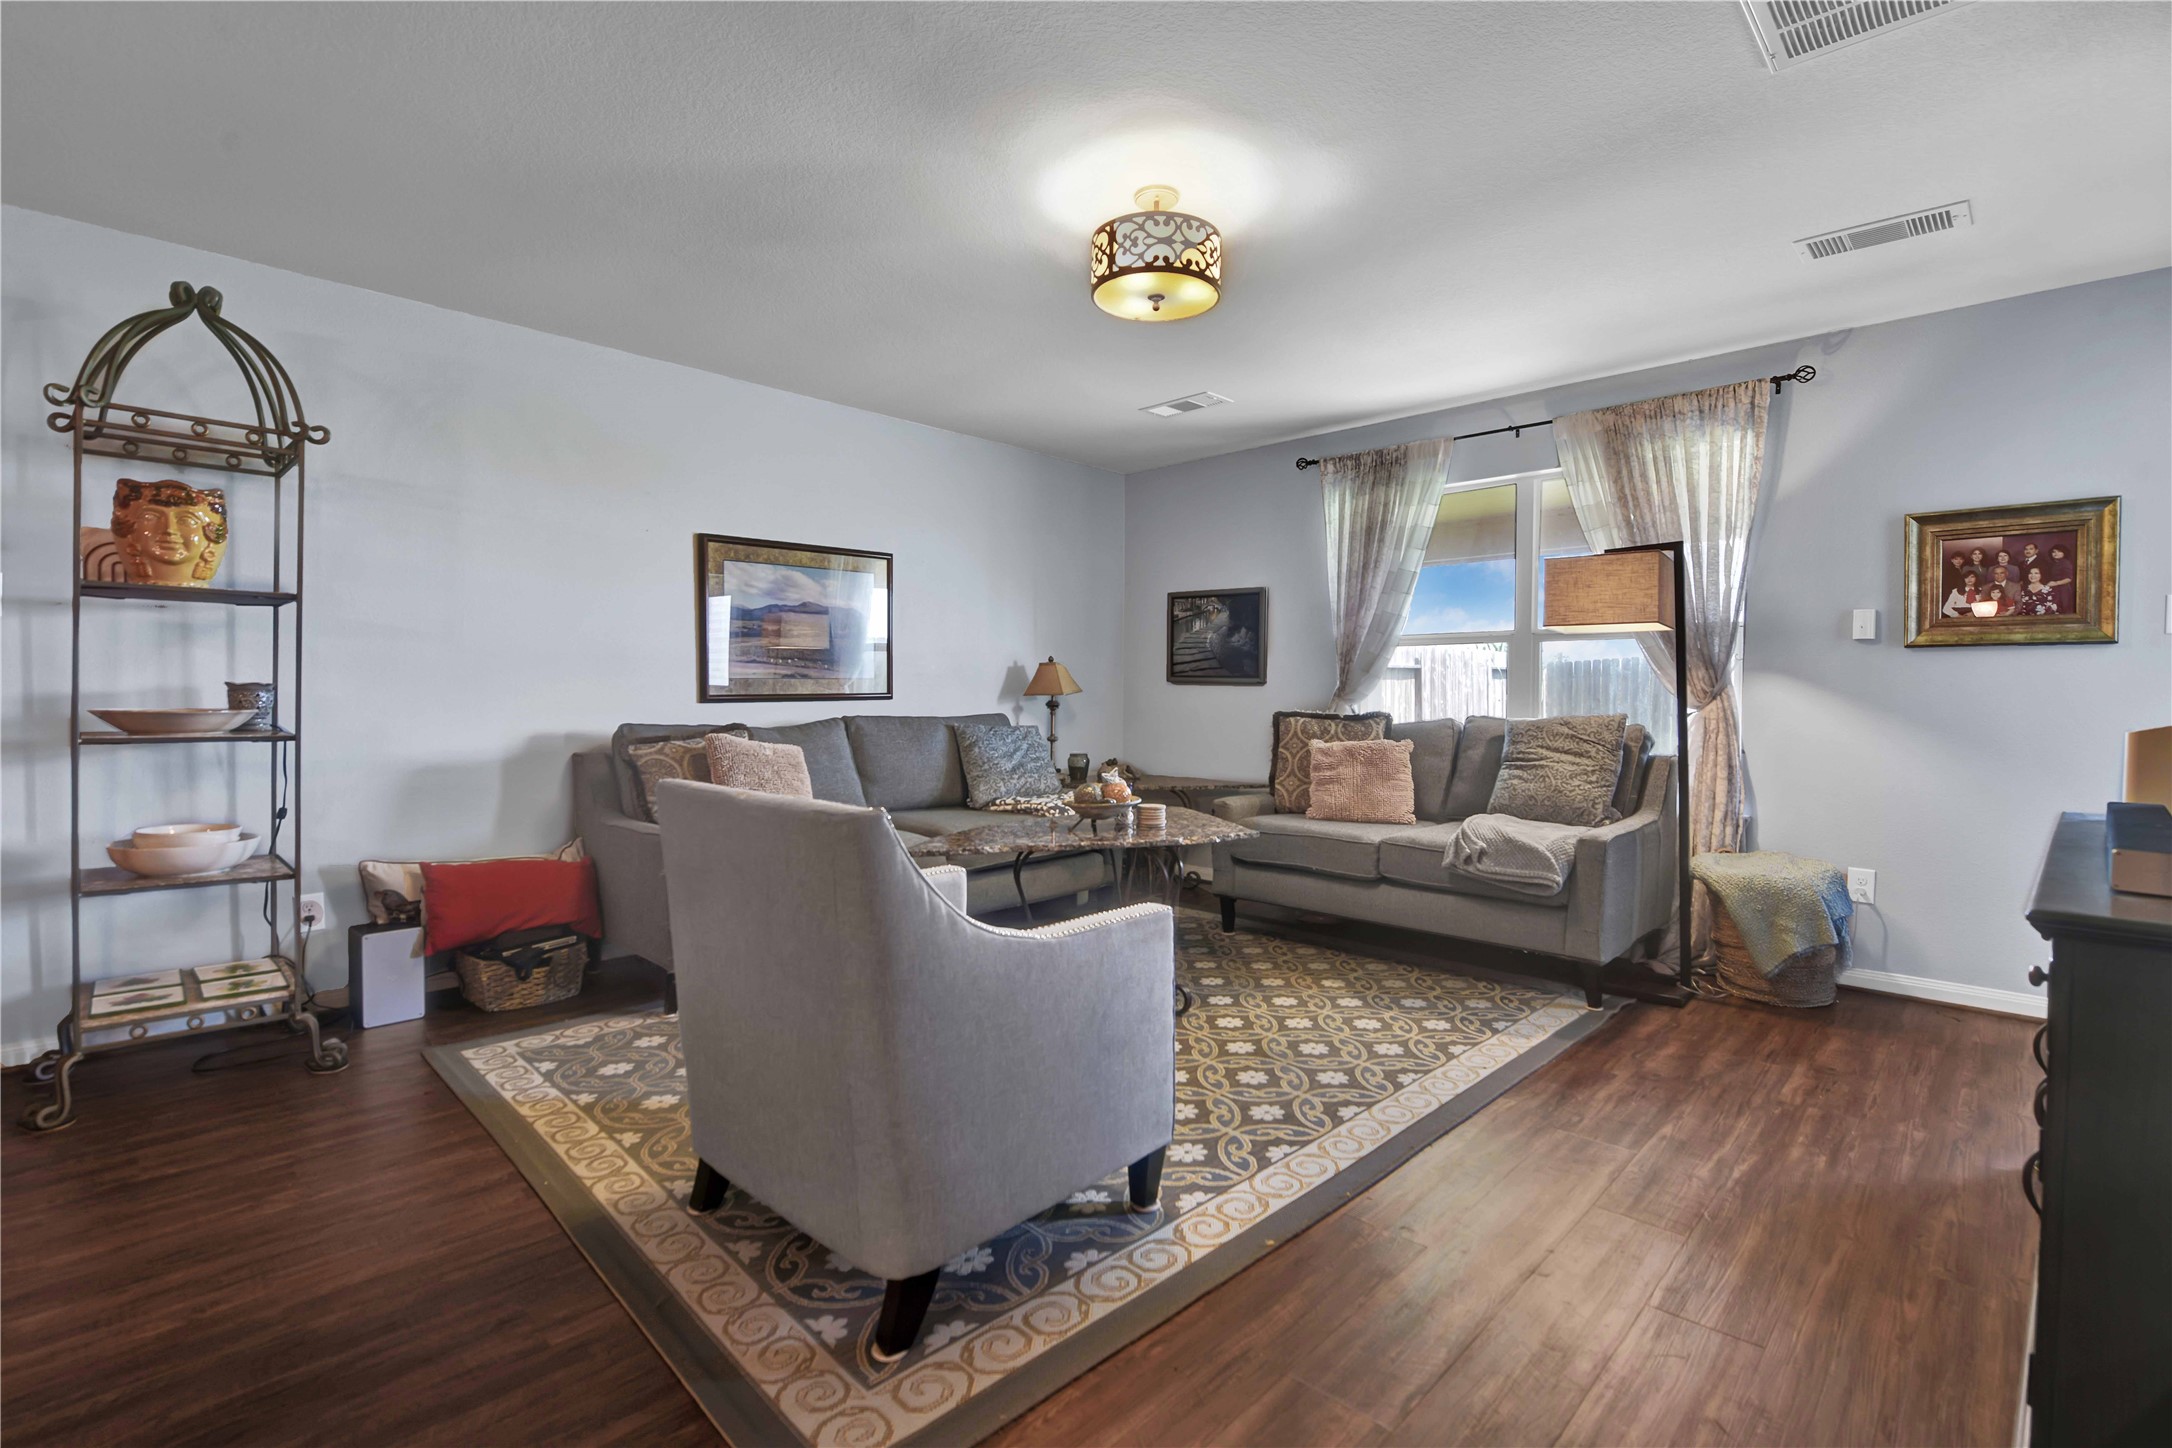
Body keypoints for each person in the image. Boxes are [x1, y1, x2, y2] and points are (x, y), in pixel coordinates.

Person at [2043, 544, 2076, 614]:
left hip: (2063, 589)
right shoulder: (2054, 563)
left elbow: (2069, 578)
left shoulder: (2065, 563)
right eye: (2054, 552)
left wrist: (2055, 583)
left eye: (2059, 551)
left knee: (2063, 609)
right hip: (2054, 589)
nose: (2056, 553)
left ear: (2064, 553)